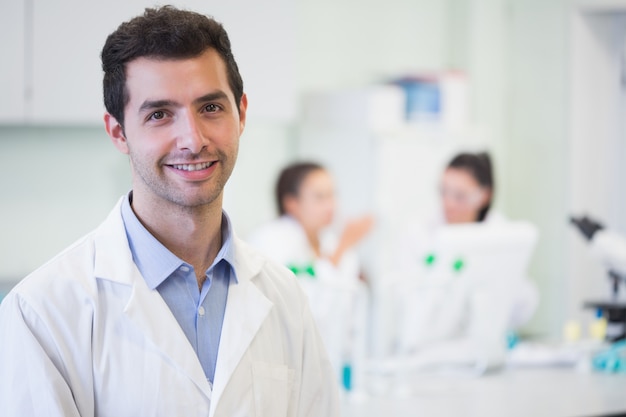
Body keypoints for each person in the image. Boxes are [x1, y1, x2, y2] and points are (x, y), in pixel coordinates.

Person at [0, 7, 340, 416]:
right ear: (118, 132)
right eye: (159, 114)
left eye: (211, 108)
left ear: (241, 113)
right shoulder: (43, 312)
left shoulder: (285, 297)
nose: (192, 140)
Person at [391, 151, 539, 370]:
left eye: (459, 196)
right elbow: (409, 305)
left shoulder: (500, 234)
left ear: (484, 196)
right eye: (443, 192)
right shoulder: (419, 232)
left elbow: (524, 305)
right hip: (426, 359)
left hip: (483, 360)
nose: (448, 203)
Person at [247, 162, 374, 392]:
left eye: (332, 195)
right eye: (320, 197)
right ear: (291, 203)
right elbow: (304, 307)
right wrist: (344, 246)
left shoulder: (329, 242)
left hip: (333, 367)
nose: (331, 205)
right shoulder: (273, 240)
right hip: (286, 371)